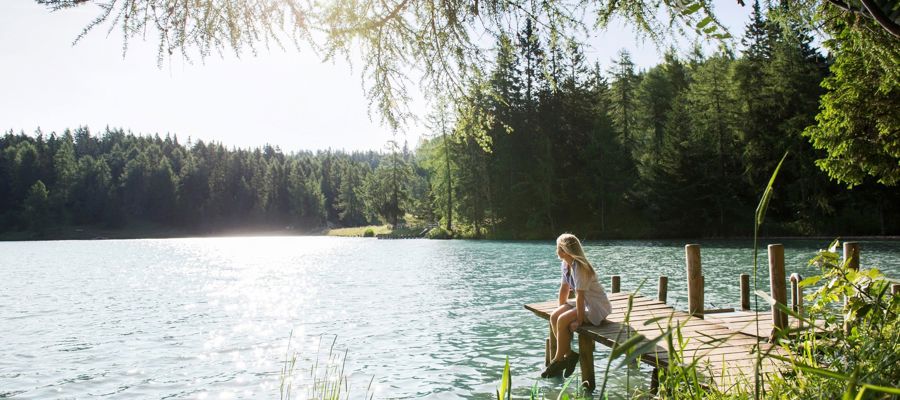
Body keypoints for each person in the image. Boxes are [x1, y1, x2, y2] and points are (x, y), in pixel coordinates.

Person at [541, 233, 613, 378]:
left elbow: (580, 296)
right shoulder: (565, 264)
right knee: (555, 316)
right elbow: (564, 288)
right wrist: (561, 308)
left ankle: (558, 359)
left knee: (562, 319)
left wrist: (579, 321)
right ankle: (570, 355)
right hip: (584, 302)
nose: (556, 251)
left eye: (558, 247)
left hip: (595, 305)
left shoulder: (580, 267)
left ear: (564, 250)